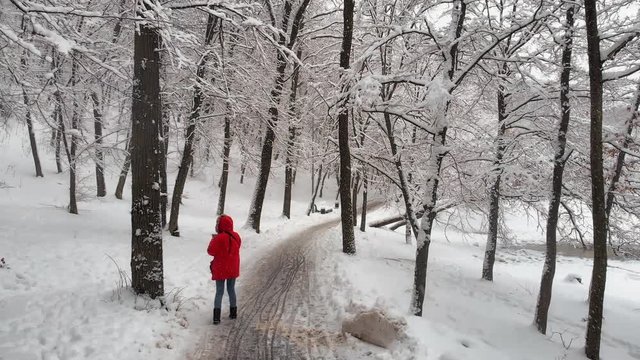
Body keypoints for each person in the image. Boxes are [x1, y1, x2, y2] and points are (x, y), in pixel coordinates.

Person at [207, 214, 241, 325]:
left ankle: (216, 317)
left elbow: (210, 251)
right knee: (231, 290)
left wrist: (213, 240)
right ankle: (233, 312)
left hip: (221, 268)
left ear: (220, 225)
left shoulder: (219, 238)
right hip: (233, 268)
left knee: (219, 292)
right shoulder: (236, 236)